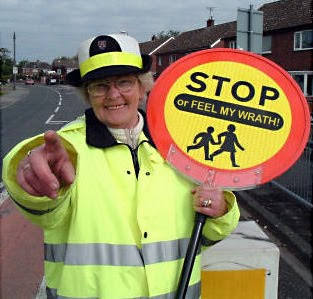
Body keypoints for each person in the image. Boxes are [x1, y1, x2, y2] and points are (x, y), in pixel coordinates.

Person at [2, 34, 240, 298]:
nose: (113, 94)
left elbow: (204, 236)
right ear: (88, 94)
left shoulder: (182, 147)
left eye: (124, 82)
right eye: (100, 86)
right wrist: (27, 176)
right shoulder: (67, 150)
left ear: (142, 88)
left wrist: (220, 211)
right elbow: (45, 208)